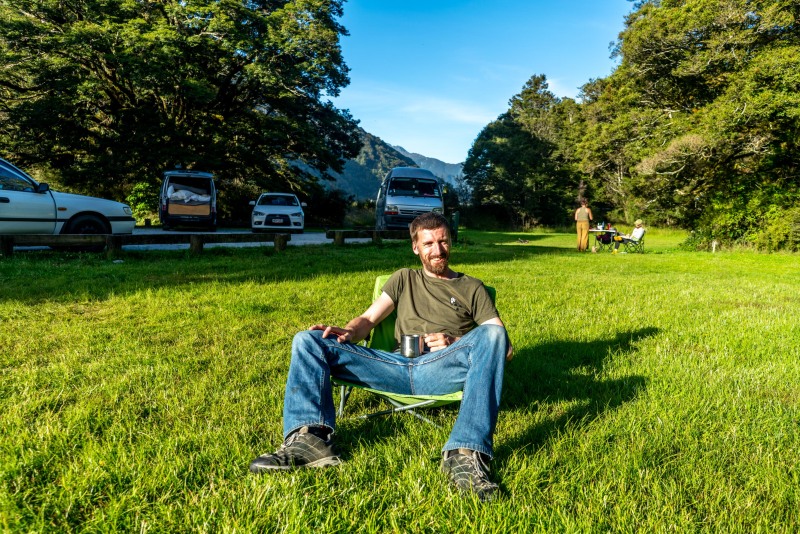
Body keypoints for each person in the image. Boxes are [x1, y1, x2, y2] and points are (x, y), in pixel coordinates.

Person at [249, 212, 513, 502]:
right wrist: (349, 332)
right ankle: (311, 441)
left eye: (443, 241)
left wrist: (454, 342)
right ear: (415, 247)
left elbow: (505, 348)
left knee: (493, 334)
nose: (438, 250)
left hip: (441, 369)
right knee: (308, 340)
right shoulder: (403, 278)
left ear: (451, 242)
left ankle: (464, 455)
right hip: (392, 366)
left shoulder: (471, 288)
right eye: (428, 244)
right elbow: (368, 320)